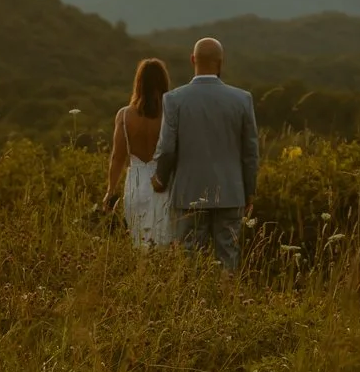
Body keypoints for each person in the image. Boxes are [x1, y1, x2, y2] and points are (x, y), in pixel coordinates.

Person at [150, 37, 259, 270]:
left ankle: (191, 305)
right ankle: (227, 303)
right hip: (231, 192)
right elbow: (250, 152)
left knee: (188, 259)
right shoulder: (242, 99)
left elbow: (167, 148)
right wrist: (249, 190)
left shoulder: (174, 99)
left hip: (188, 192)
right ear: (221, 62)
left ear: (193, 60)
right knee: (228, 258)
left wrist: (160, 179)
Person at [107, 57, 178, 249]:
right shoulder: (171, 113)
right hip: (164, 182)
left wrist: (110, 191)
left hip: (136, 184)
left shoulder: (124, 115)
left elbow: (117, 157)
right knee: (167, 242)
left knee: (139, 241)